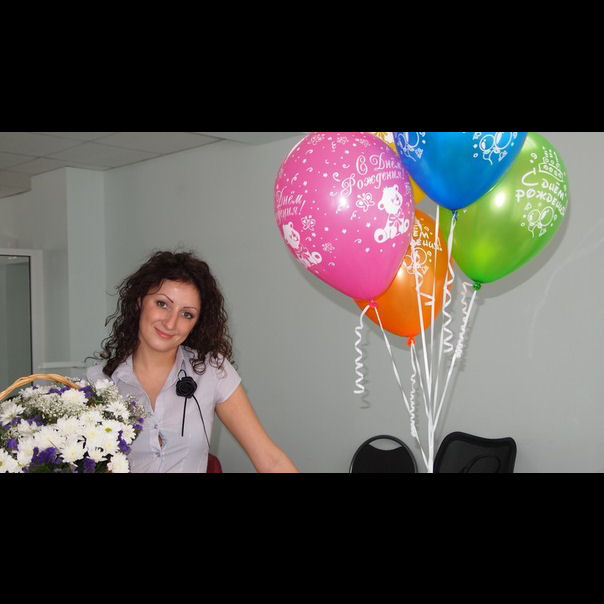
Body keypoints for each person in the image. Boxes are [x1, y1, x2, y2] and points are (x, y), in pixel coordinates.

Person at [87, 250, 299, 473]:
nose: (171, 323)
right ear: (140, 301)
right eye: (162, 304)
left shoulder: (212, 370)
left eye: (187, 314)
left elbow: (270, 460)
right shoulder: (97, 383)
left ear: (197, 323)